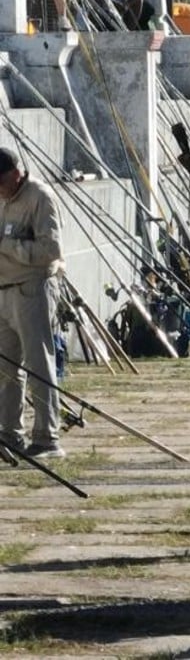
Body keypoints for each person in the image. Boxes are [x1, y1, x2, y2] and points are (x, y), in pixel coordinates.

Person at [0, 148, 64, 458]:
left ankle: (46, 437)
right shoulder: (2, 198)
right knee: (6, 368)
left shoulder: (39, 196)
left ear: (15, 173)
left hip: (32, 290)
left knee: (39, 364)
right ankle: (10, 434)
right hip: (3, 291)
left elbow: (51, 250)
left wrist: (9, 246)